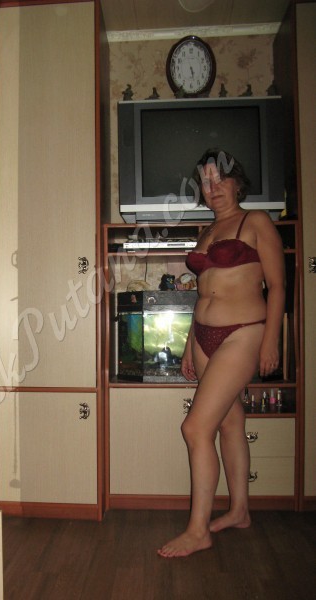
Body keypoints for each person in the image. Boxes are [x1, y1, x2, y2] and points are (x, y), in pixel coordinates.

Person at [157, 148, 285, 558]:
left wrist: (271, 340)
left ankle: (198, 530)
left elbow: (277, 286)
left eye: (219, 178)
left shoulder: (256, 221)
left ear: (236, 182)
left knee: (195, 429)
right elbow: (204, 291)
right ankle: (239, 511)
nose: (212, 187)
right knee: (230, 422)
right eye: (205, 181)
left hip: (243, 333)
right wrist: (189, 344)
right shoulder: (208, 230)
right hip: (204, 335)